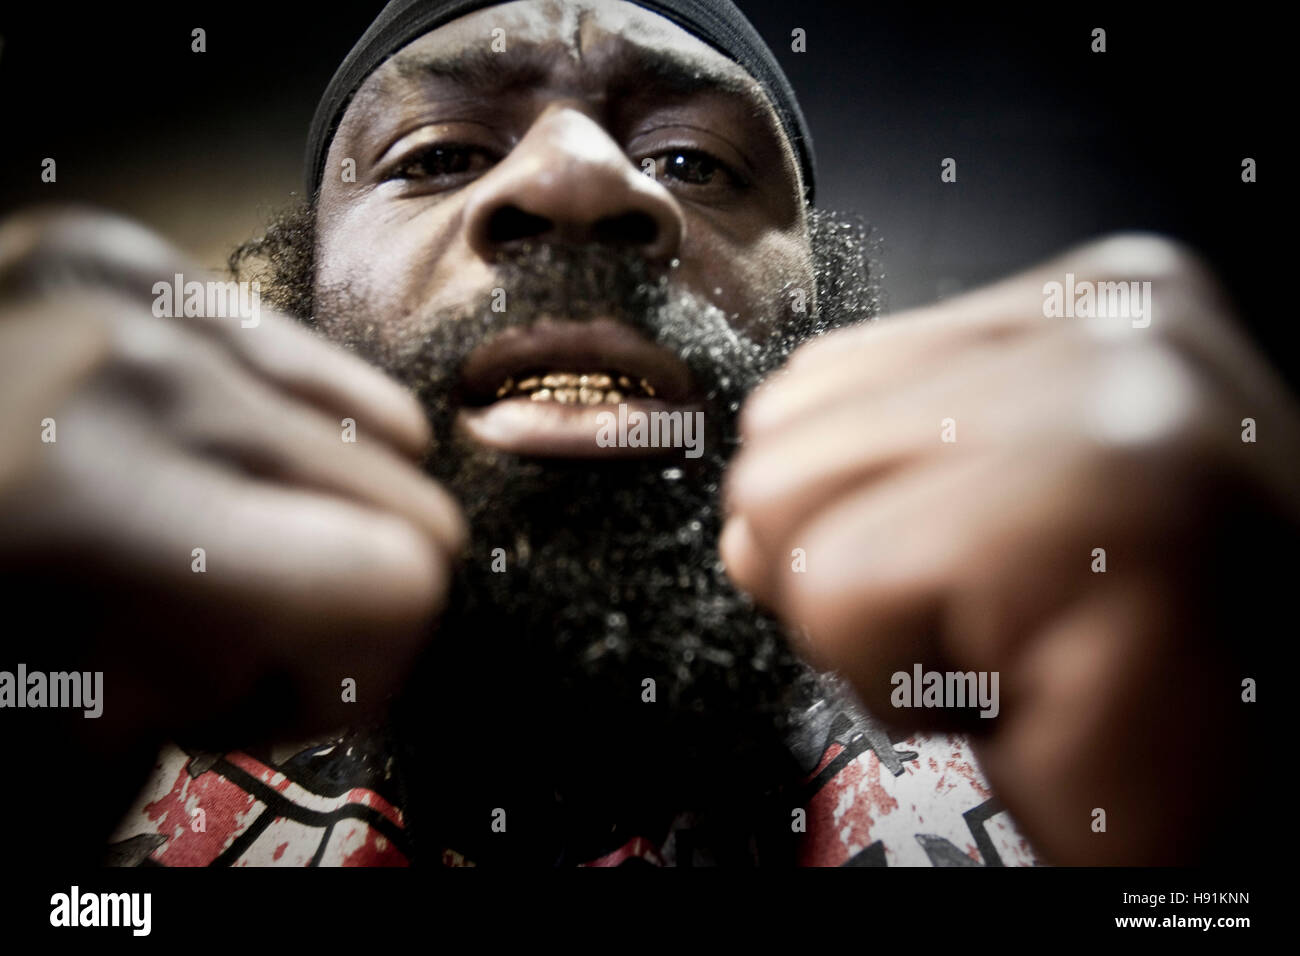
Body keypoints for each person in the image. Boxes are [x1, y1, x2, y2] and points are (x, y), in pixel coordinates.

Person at [0, 0, 1285, 867]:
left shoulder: (1075, 756)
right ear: (302, 297)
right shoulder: (89, 740)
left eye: (690, 163)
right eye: (441, 153)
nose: (573, 182)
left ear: (821, 322)